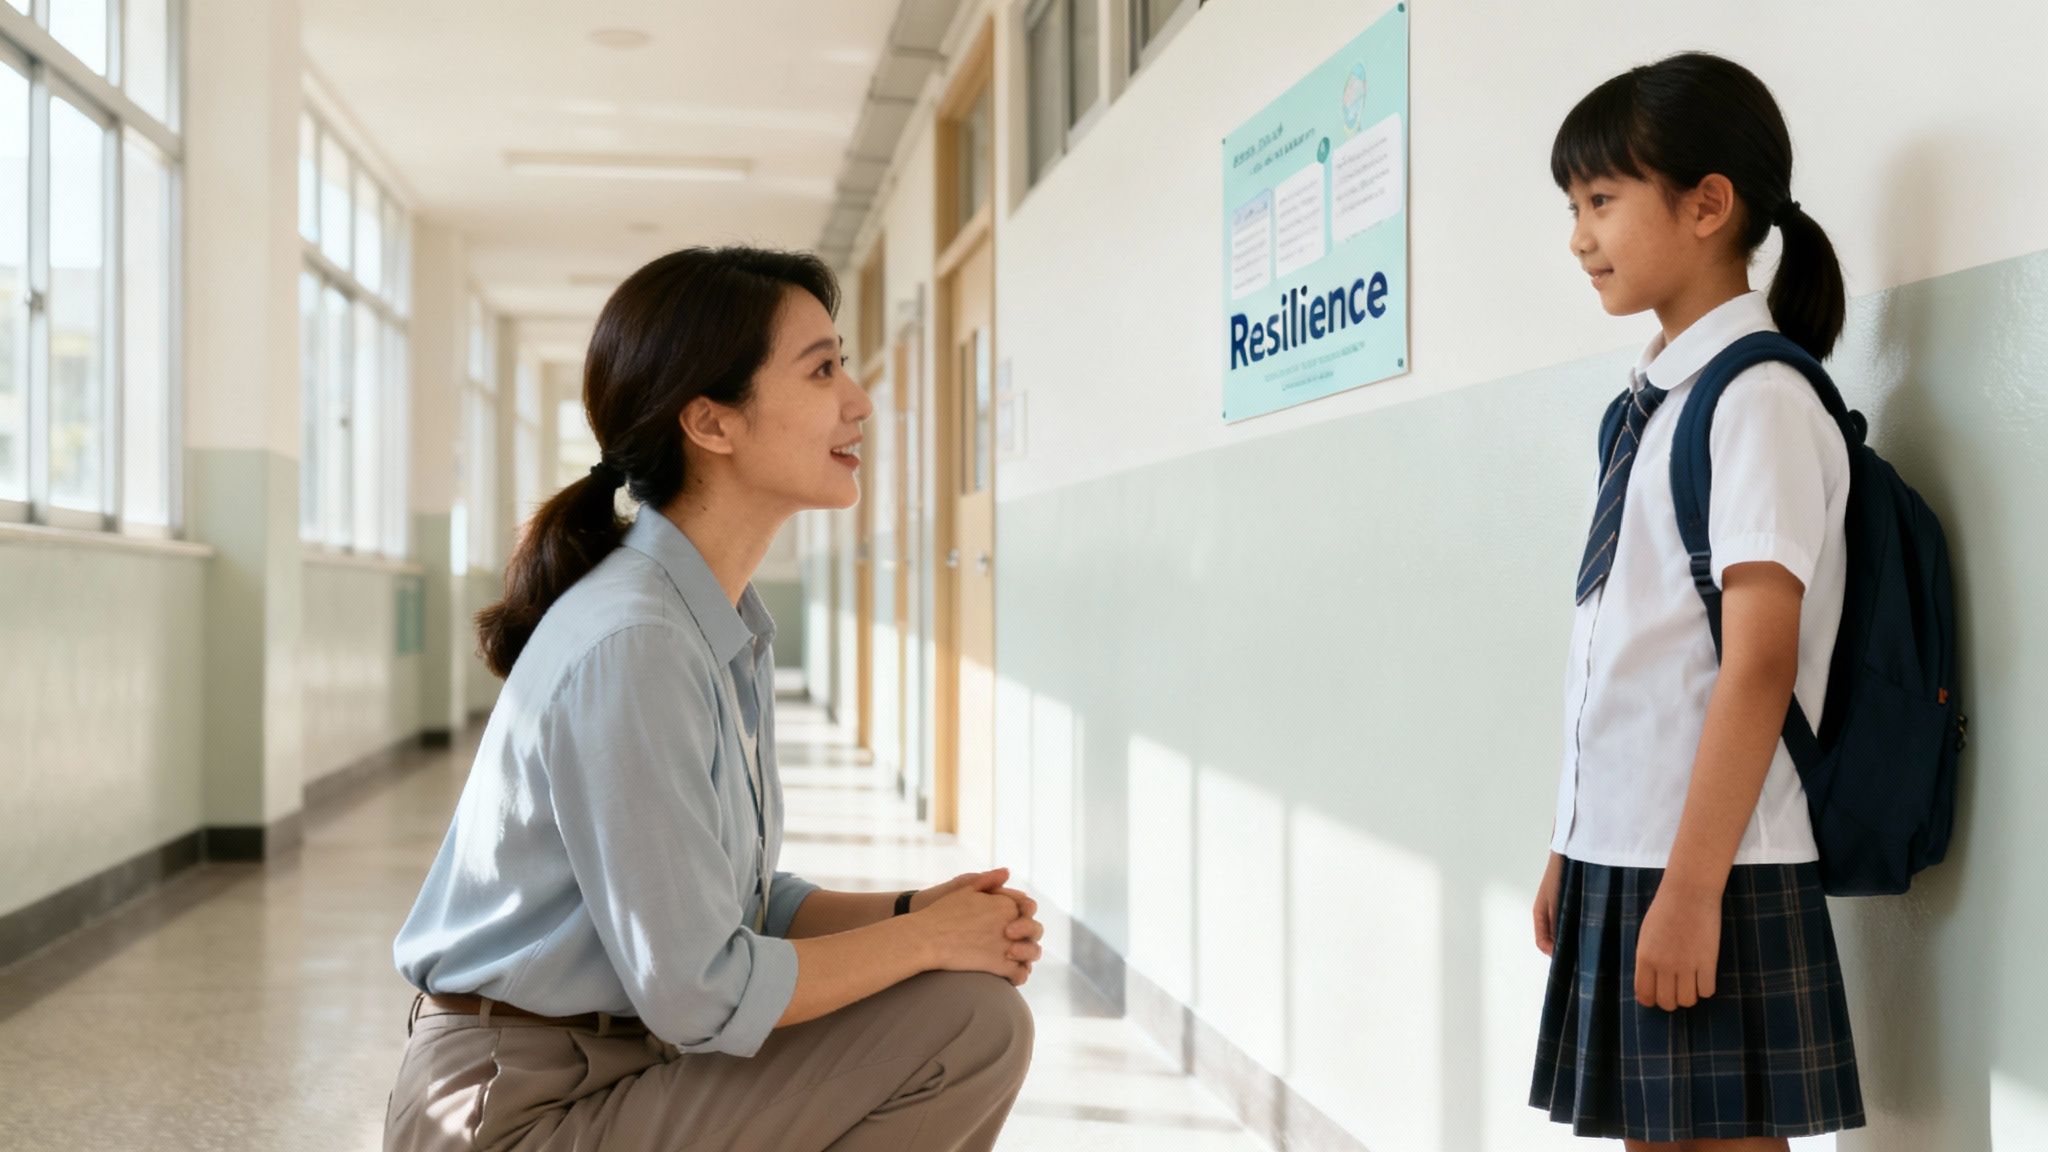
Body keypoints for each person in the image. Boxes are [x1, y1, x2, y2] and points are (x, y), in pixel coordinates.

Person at [385, 246, 1041, 1152]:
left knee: (969, 1012)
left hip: (618, 1066)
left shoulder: (709, 620)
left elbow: (740, 902)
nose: (858, 400)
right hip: (518, 1113)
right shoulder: (638, 642)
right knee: (967, 1020)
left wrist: (913, 911)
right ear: (712, 423)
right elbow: (700, 987)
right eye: (822, 370)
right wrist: (931, 944)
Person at [1528, 54, 1865, 1150]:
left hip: (1711, 858)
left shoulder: (1756, 399)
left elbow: (1758, 662)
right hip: (1628, 848)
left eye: (1600, 201)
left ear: (1706, 203)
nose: (1578, 236)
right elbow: (1622, 656)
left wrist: (1688, 888)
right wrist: (1567, 843)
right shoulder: (1645, 407)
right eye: (1572, 206)